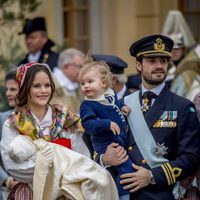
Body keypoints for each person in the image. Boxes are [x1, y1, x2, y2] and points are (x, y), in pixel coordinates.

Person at [101, 34, 200, 200]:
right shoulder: (120, 104)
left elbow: (191, 158)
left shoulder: (182, 107)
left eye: (163, 61)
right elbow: (98, 144)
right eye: (152, 61)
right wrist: (105, 159)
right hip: (123, 193)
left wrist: (153, 176)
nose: (159, 66)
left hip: (160, 193)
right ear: (138, 65)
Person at [0, 63, 85, 198]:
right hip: (30, 194)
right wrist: (62, 167)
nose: (44, 90)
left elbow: (81, 158)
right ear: (25, 88)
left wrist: (44, 165)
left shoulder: (66, 118)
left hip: (66, 193)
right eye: (37, 86)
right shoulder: (13, 124)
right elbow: (14, 168)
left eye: (47, 85)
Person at [79, 57, 133, 199]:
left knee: (125, 166)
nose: (85, 86)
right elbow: (88, 124)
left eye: (90, 82)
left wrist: (124, 107)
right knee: (124, 167)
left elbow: (115, 106)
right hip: (104, 145)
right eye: (82, 83)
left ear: (103, 83)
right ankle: (123, 196)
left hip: (120, 141)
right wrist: (106, 124)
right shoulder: (88, 105)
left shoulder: (110, 94)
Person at [0, 69, 19, 200]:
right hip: (9, 191)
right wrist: (7, 180)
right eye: (7, 89)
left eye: (13, 89)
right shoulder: (2, 119)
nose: (8, 93)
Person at [53, 48, 85, 114]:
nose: (83, 71)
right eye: (80, 66)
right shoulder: (52, 85)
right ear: (66, 66)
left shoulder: (79, 85)